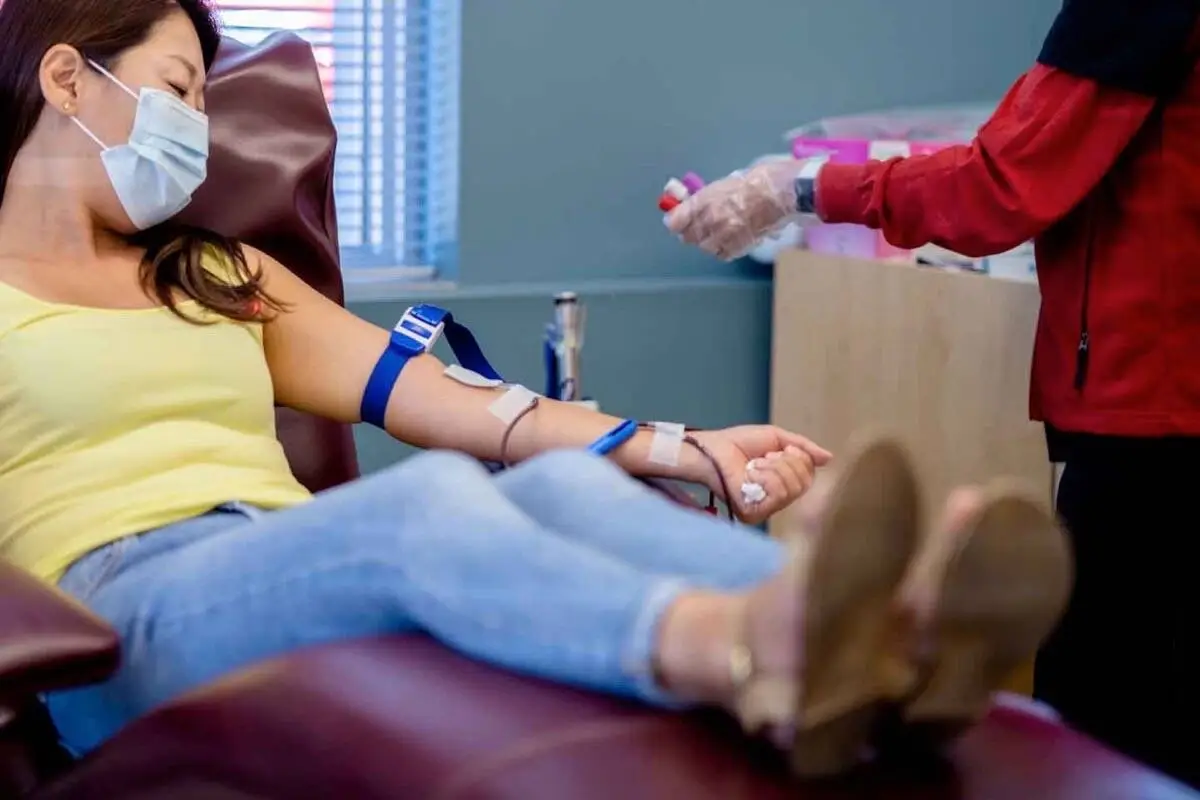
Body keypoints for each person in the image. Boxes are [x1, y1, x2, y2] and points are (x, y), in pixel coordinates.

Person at [0, 0, 1071, 779]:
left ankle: (896, 636)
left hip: (285, 569)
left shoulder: (218, 273)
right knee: (420, 506)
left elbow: (472, 408)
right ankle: (750, 646)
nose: (197, 125)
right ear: (65, 79)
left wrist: (687, 445)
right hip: (116, 619)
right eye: (180, 90)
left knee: (563, 490)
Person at [668, 0, 1200, 786]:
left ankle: (837, 640)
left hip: (1157, 410)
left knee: (1101, 725)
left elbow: (1001, 188)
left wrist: (800, 185)